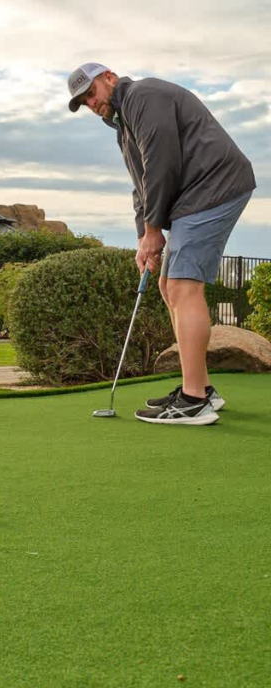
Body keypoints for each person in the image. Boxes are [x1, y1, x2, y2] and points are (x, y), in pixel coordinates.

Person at [67, 63, 255, 425]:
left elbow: (161, 163)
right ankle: (199, 388)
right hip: (196, 195)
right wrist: (144, 236)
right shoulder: (123, 127)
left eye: (91, 93)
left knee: (184, 287)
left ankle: (193, 400)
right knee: (169, 286)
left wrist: (156, 231)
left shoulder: (142, 97)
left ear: (109, 77)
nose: (91, 103)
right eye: (83, 102)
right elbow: (141, 186)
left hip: (213, 186)